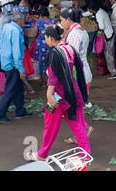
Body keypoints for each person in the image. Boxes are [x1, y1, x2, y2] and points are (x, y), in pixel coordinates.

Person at [27, 25, 91, 161]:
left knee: (50, 125)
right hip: (73, 91)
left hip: (57, 95)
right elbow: (79, 64)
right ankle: (85, 154)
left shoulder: (54, 52)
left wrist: (49, 95)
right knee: (77, 123)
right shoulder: (69, 48)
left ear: (50, 38)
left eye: (45, 38)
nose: (45, 40)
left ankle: (42, 154)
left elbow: (53, 77)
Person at [0, 12, 30, 123]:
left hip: (6, 61)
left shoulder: (6, 27)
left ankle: (20, 110)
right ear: (20, 20)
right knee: (10, 89)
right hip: (13, 64)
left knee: (18, 87)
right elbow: (17, 53)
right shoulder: (16, 31)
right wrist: (21, 69)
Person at [60, 8, 93, 95]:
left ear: (68, 20)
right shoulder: (83, 31)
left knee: (78, 103)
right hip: (85, 70)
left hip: (78, 74)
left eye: (62, 20)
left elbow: (71, 56)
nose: (61, 23)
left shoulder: (74, 34)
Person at [87, 1, 116, 80]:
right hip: (110, 33)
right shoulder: (100, 11)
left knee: (108, 55)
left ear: (92, 9)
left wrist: (96, 25)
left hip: (108, 36)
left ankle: (113, 73)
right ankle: (114, 70)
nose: (88, 10)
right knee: (110, 54)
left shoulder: (98, 14)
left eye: (89, 9)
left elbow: (101, 27)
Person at [32, 7, 56, 87]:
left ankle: (43, 82)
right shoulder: (53, 21)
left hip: (41, 44)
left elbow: (34, 34)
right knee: (51, 62)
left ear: (40, 15)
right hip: (51, 44)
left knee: (42, 62)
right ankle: (51, 82)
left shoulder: (38, 22)